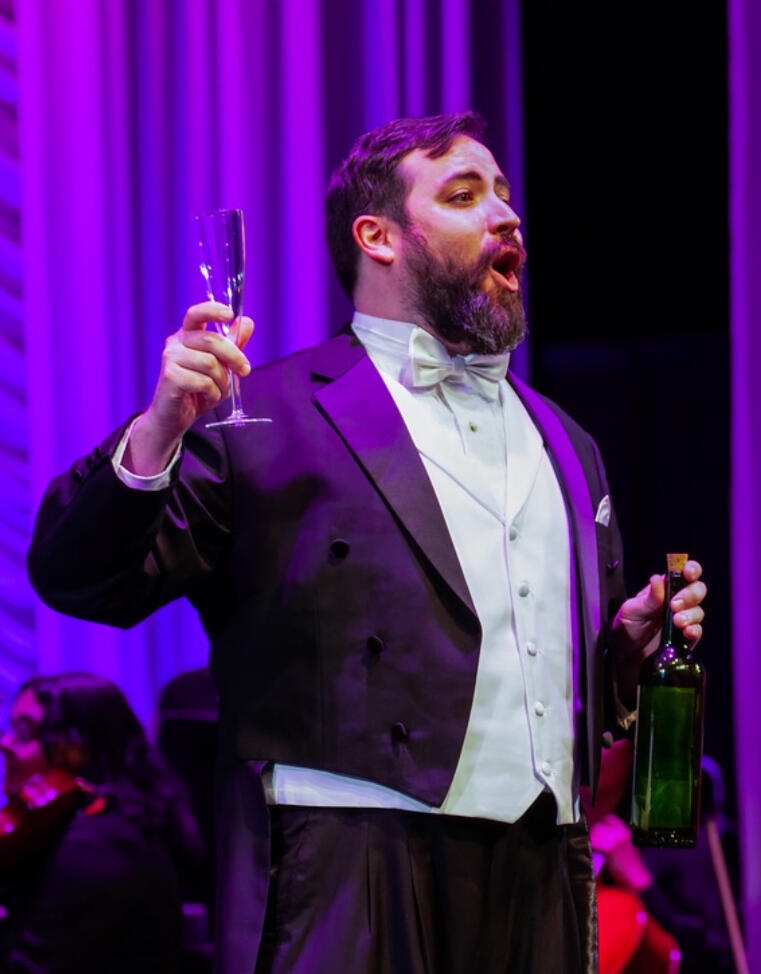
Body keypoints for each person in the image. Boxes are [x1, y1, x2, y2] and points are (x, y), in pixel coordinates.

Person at [27, 112, 707, 974]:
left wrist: (621, 658)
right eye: (464, 195)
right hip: (348, 859)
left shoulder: (567, 442)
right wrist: (159, 428)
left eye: (503, 194)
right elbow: (80, 578)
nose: (506, 215)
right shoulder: (262, 414)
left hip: (543, 858)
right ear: (377, 237)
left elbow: (536, 670)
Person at [0, 673, 200, 973]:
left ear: (78, 747)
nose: (5, 744)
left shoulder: (97, 848)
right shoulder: (82, 829)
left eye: (24, 732)